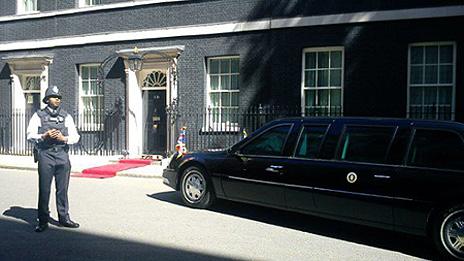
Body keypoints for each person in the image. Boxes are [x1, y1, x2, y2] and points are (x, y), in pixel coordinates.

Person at [26, 85, 80, 232]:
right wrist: (43, 136)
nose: (57, 99)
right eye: (54, 97)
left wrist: (64, 138)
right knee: (44, 189)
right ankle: (43, 220)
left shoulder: (66, 116)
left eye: (58, 97)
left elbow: (76, 137)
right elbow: (29, 135)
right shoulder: (38, 115)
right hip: (46, 154)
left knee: (62, 189)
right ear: (47, 99)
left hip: (62, 154)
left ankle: (64, 218)